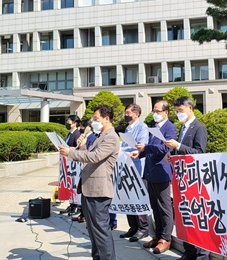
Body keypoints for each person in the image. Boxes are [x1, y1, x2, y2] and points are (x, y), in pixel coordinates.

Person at [59, 105, 119, 260]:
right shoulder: (99, 136)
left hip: (99, 190)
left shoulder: (111, 137)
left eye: (97, 118)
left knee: (101, 231)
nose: (94, 122)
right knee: (93, 231)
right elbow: (89, 154)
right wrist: (81, 146)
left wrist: (71, 152)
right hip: (88, 188)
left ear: (106, 118)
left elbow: (95, 157)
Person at [164, 96, 209, 260]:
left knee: (195, 217)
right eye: (176, 111)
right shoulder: (182, 128)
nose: (178, 114)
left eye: (180, 110)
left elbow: (199, 153)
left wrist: (178, 146)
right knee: (184, 217)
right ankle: (189, 251)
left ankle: (201, 254)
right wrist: (172, 154)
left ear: (190, 108)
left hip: (193, 180)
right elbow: (181, 151)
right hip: (180, 178)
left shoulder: (199, 128)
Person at [132, 101, 177, 254]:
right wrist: (140, 153)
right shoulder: (155, 127)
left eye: (158, 111)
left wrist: (146, 148)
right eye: (153, 110)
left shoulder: (169, 127)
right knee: (155, 207)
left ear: (166, 112)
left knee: (164, 208)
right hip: (150, 172)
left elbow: (165, 147)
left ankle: (166, 238)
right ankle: (157, 236)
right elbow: (150, 148)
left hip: (162, 172)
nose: (155, 113)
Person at [118, 104, 150, 242]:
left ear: (136, 114)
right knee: (127, 198)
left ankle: (143, 228)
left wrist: (137, 151)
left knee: (137, 198)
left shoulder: (142, 127)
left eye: (128, 113)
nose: (126, 115)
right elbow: (125, 145)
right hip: (126, 167)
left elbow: (142, 144)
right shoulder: (127, 128)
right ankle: (133, 227)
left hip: (137, 167)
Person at [61, 115, 82, 216]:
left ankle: (77, 206)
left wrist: (69, 149)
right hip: (67, 163)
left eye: (69, 121)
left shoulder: (77, 134)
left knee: (75, 184)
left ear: (74, 123)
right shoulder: (70, 134)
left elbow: (77, 148)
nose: (67, 123)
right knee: (69, 184)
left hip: (74, 163)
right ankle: (71, 204)